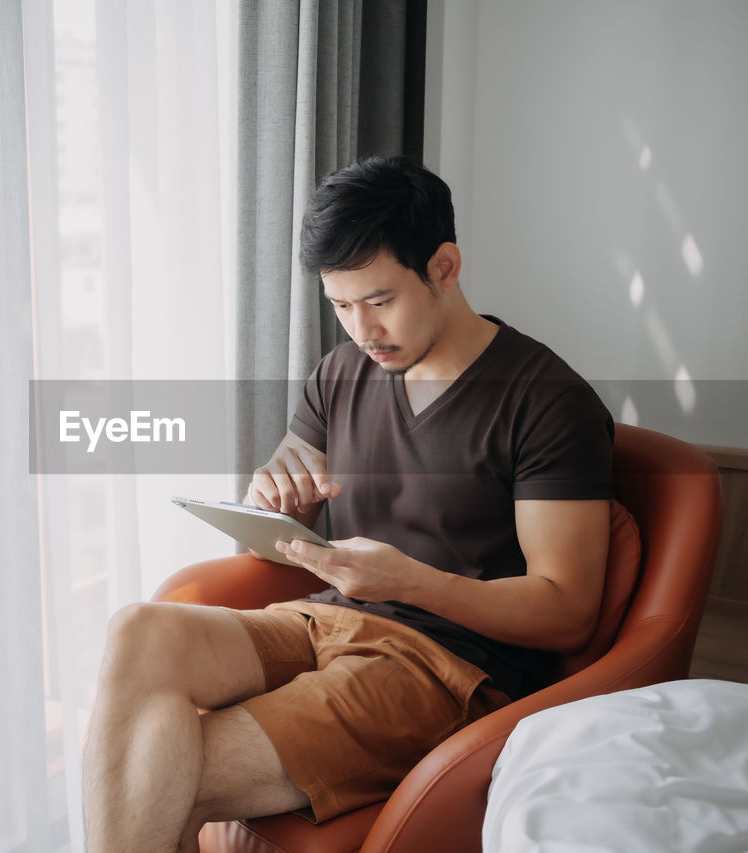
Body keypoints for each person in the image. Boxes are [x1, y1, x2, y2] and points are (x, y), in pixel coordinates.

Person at [82, 155, 615, 853]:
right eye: (340, 305)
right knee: (138, 631)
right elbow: (274, 542)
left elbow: (568, 610)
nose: (361, 329)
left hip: (441, 668)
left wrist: (411, 582)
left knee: (147, 765)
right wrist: (277, 499)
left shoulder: (547, 402)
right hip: (325, 619)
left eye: (380, 299)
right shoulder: (341, 373)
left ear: (445, 266)